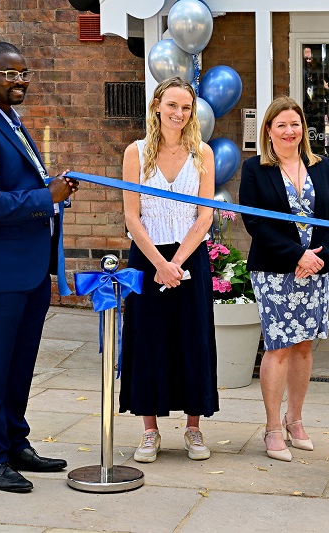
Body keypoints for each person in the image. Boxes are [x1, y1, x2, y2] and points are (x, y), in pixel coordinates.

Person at [0, 41, 78, 492]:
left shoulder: (9, 120)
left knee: (21, 363)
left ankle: (16, 442)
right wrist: (44, 199)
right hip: (0, 271)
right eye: (9, 74)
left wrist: (53, 189)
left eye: (24, 73)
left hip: (29, 268)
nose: (20, 81)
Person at [239, 96, 329, 462]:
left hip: (315, 270)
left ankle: (295, 419)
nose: (289, 131)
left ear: (304, 130)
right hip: (274, 270)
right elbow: (255, 222)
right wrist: (295, 255)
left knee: (304, 345)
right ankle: (272, 428)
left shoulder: (322, 166)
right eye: (281, 124)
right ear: (268, 130)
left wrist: (318, 256)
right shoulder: (255, 169)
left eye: (295, 124)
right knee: (279, 346)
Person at [118, 77, 218, 463]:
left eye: (186, 107)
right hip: (147, 258)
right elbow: (131, 214)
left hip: (189, 257)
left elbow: (205, 214)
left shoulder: (202, 153)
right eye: (172, 105)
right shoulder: (136, 152)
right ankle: (150, 432)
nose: (179, 113)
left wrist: (177, 263)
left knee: (193, 338)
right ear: (157, 105)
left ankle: (193, 428)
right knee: (148, 340)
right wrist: (159, 264)